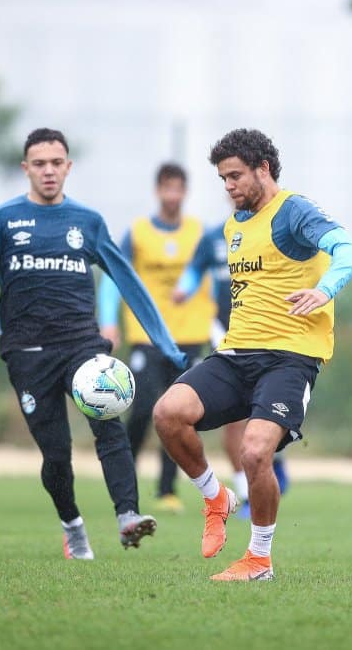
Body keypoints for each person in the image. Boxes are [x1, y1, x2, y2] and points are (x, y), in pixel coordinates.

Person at [0, 128, 187, 559]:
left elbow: (127, 281)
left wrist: (165, 342)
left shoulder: (87, 222)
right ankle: (72, 525)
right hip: (26, 351)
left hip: (83, 344)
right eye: (39, 164)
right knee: (57, 453)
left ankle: (128, 517)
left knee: (109, 426)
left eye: (56, 163)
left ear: (68, 167)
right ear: (26, 168)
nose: (48, 171)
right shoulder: (4, 217)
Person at [153, 128, 352, 581]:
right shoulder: (233, 226)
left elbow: (348, 250)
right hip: (236, 353)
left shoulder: (293, 212)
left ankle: (259, 558)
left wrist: (324, 289)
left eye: (235, 177)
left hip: (290, 357)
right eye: (223, 179)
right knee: (168, 414)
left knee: (253, 452)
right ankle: (216, 497)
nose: (228, 187)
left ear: (263, 169)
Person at [98, 163, 215, 513]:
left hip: (189, 337)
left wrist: (210, 312)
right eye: (167, 188)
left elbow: (214, 276)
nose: (173, 196)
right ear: (158, 191)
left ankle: (168, 490)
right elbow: (112, 275)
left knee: (179, 415)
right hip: (147, 335)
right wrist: (108, 321)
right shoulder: (137, 233)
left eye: (179, 189)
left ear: (185, 192)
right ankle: (125, 480)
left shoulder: (201, 234)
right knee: (144, 407)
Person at [173, 209, 292, 521]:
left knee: (265, 413)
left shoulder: (274, 232)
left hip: (268, 337)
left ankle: (271, 460)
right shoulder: (215, 237)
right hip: (224, 335)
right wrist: (184, 287)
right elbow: (194, 269)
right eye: (229, 178)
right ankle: (244, 490)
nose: (234, 185)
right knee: (233, 421)